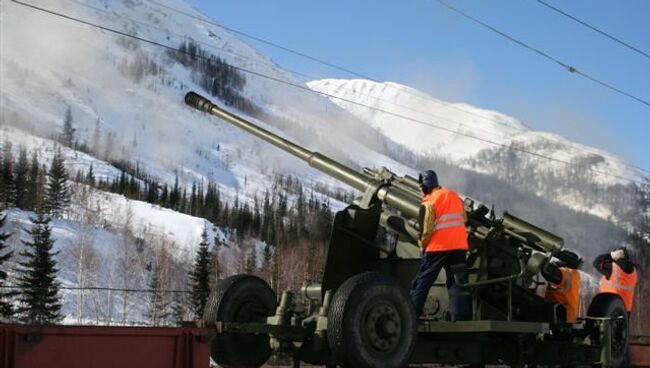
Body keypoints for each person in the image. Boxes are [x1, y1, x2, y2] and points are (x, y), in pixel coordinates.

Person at [409, 170, 471, 320]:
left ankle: (411, 315)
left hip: (438, 247)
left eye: (420, 186)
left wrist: (422, 244)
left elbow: (426, 230)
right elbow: (465, 219)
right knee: (457, 282)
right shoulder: (454, 196)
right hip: (459, 247)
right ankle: (460, 317)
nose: (420, 189)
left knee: (423, 282)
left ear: (426, 185)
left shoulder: (429, 202)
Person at [593, 247, 638, 313]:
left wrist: (610, 255)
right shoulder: (634, 271)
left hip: (609, 307)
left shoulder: (612, 268)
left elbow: (596, 262)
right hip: (625, 309)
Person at [542, 251, 582, 323]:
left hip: (561, 317)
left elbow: (546, 269)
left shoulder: (564, 273)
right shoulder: (574, 274)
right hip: (567, 316)